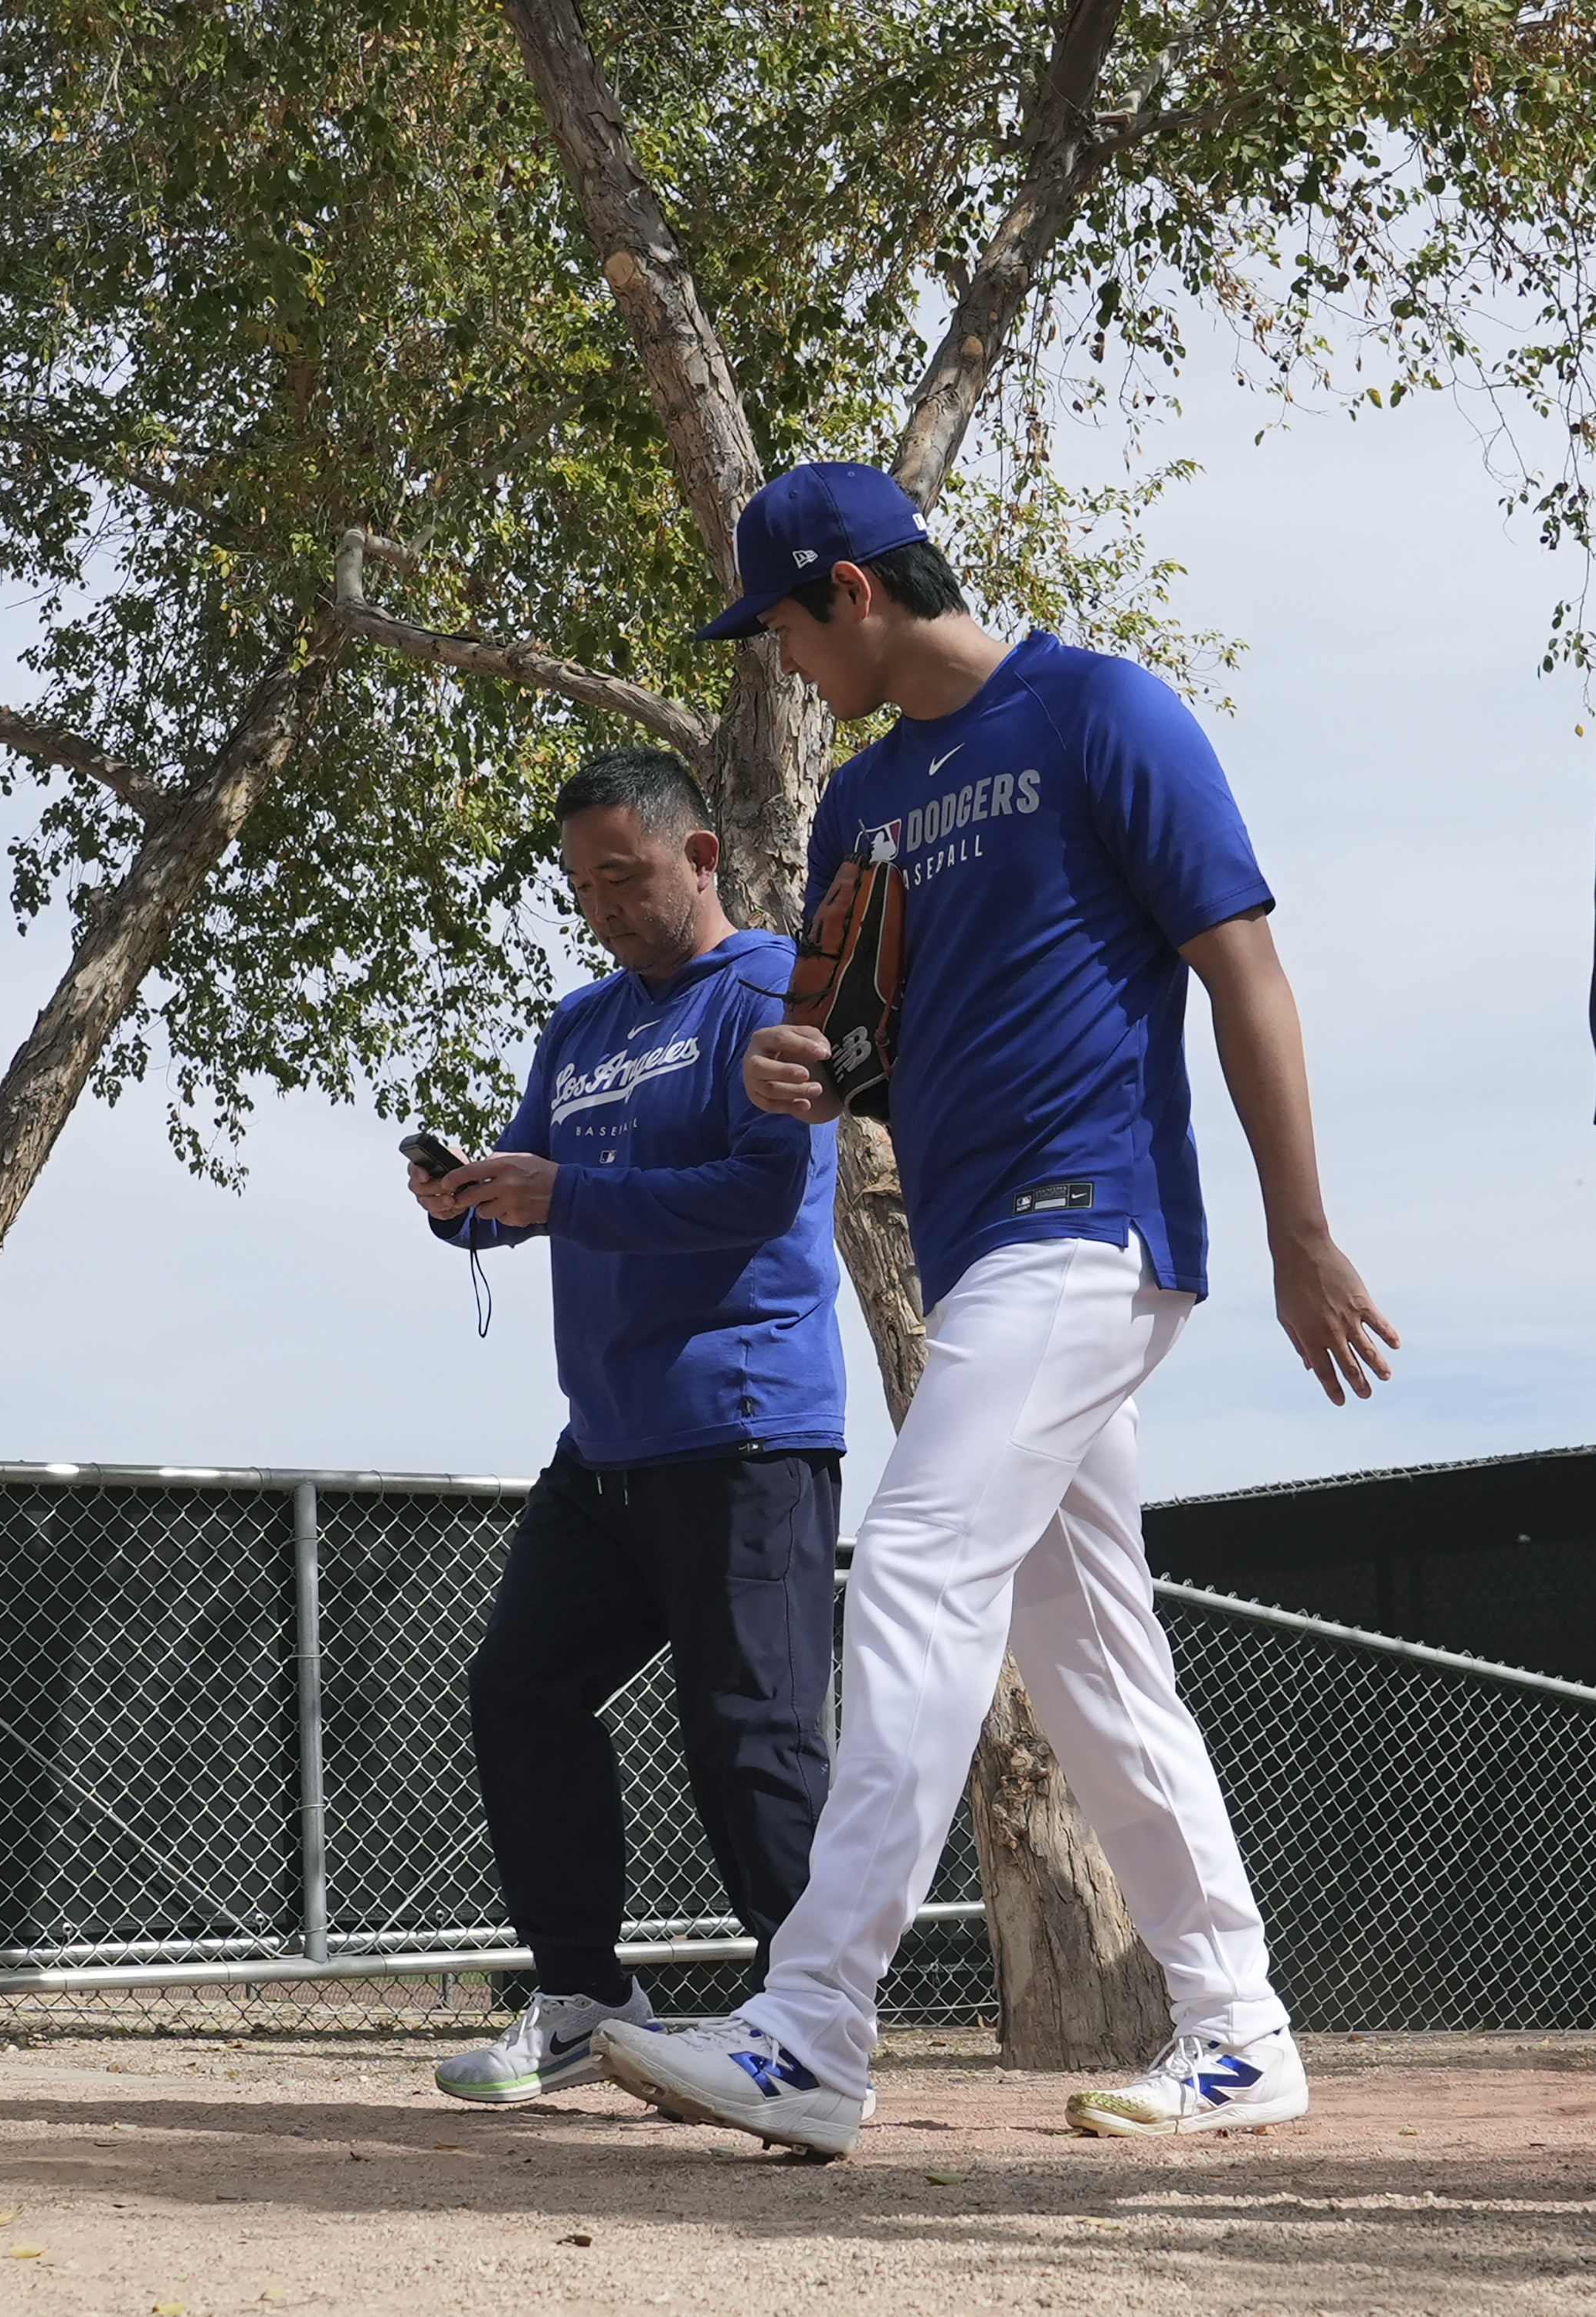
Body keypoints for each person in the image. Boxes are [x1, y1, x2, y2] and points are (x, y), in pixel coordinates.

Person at [593, 462, 1397, 2158]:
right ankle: (1241, 2028)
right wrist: (792, 1066)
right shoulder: (866, 807)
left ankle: (813, 2022)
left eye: (788, 630)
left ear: (857, 593)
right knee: (1090, 1651)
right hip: (977, 1257)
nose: (785, 666)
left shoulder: (1104, 710)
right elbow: (846, 1042)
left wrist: (1302, 1231)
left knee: (915, 1561)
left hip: (1091, 1222)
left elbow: (1242, 962)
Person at [409, 748, 845, 2108]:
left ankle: (812, 2028)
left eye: (625, 873)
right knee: (520, 1689)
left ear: (700, 855)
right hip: (604, 1442)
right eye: (581, 882)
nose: (601, 902)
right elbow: (541, 1180)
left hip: (745, 1423)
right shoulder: (581, 1024)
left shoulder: (774, 988)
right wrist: (465, 1201)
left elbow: (757, 1195)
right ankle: (586, 1994)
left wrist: (563, 1193)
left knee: (750, 1731)